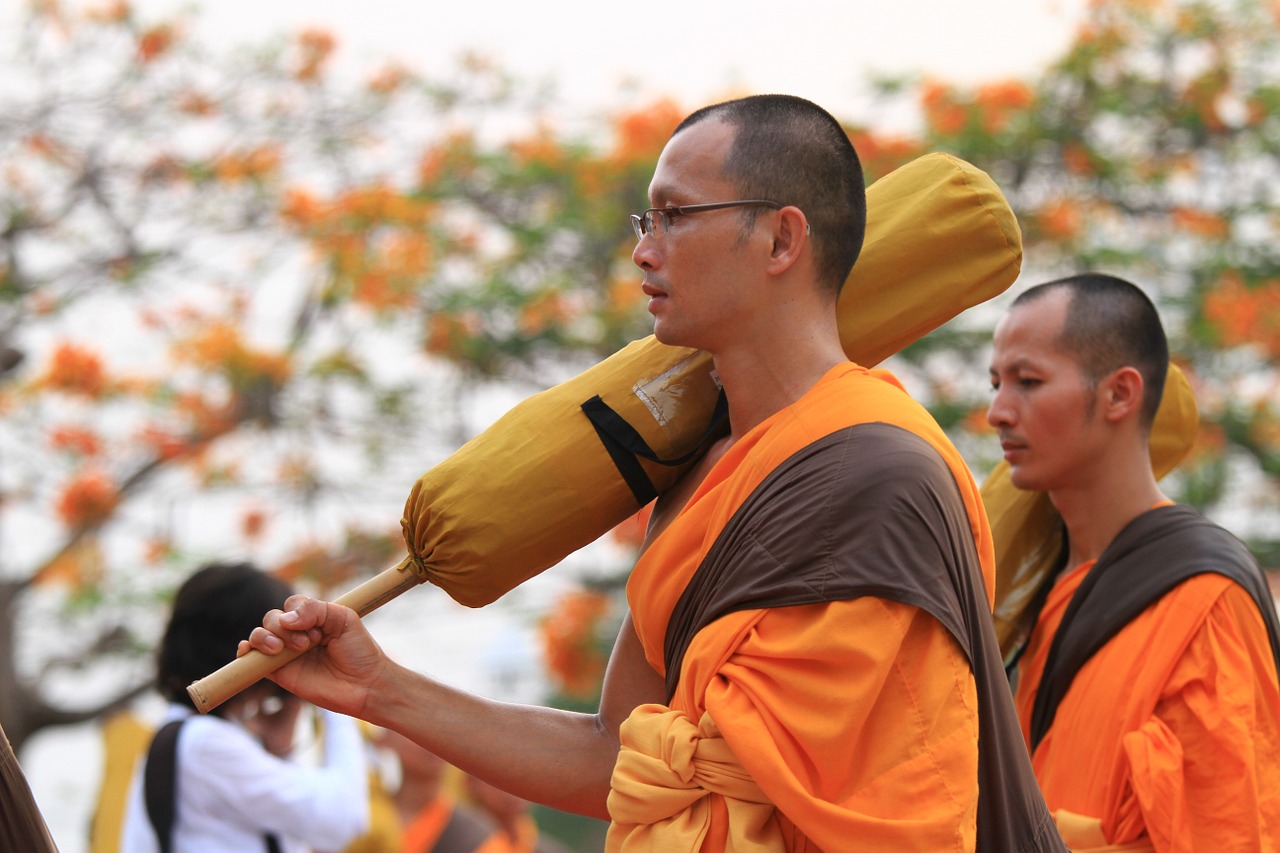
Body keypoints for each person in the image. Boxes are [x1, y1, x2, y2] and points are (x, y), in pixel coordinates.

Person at [244, 94, 1062, 851]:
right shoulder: (698, 479)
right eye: (648, 217)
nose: (643, 249)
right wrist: (380, 687)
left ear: (782, 238)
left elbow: (846, 798)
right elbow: (616, 754)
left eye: (675, 216)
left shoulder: (878, 472)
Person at [986, 272, 1280, 851]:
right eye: (995, 383)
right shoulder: (1049, 593)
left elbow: (1229, 832)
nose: (997, 411)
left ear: (1120, 393)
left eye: (1028, 381)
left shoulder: (1204, 600)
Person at [120, 561, 369, 853]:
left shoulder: (184, 737)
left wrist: (280, 750)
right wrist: (337, 701)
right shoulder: (206, 743)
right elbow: (344, 821)